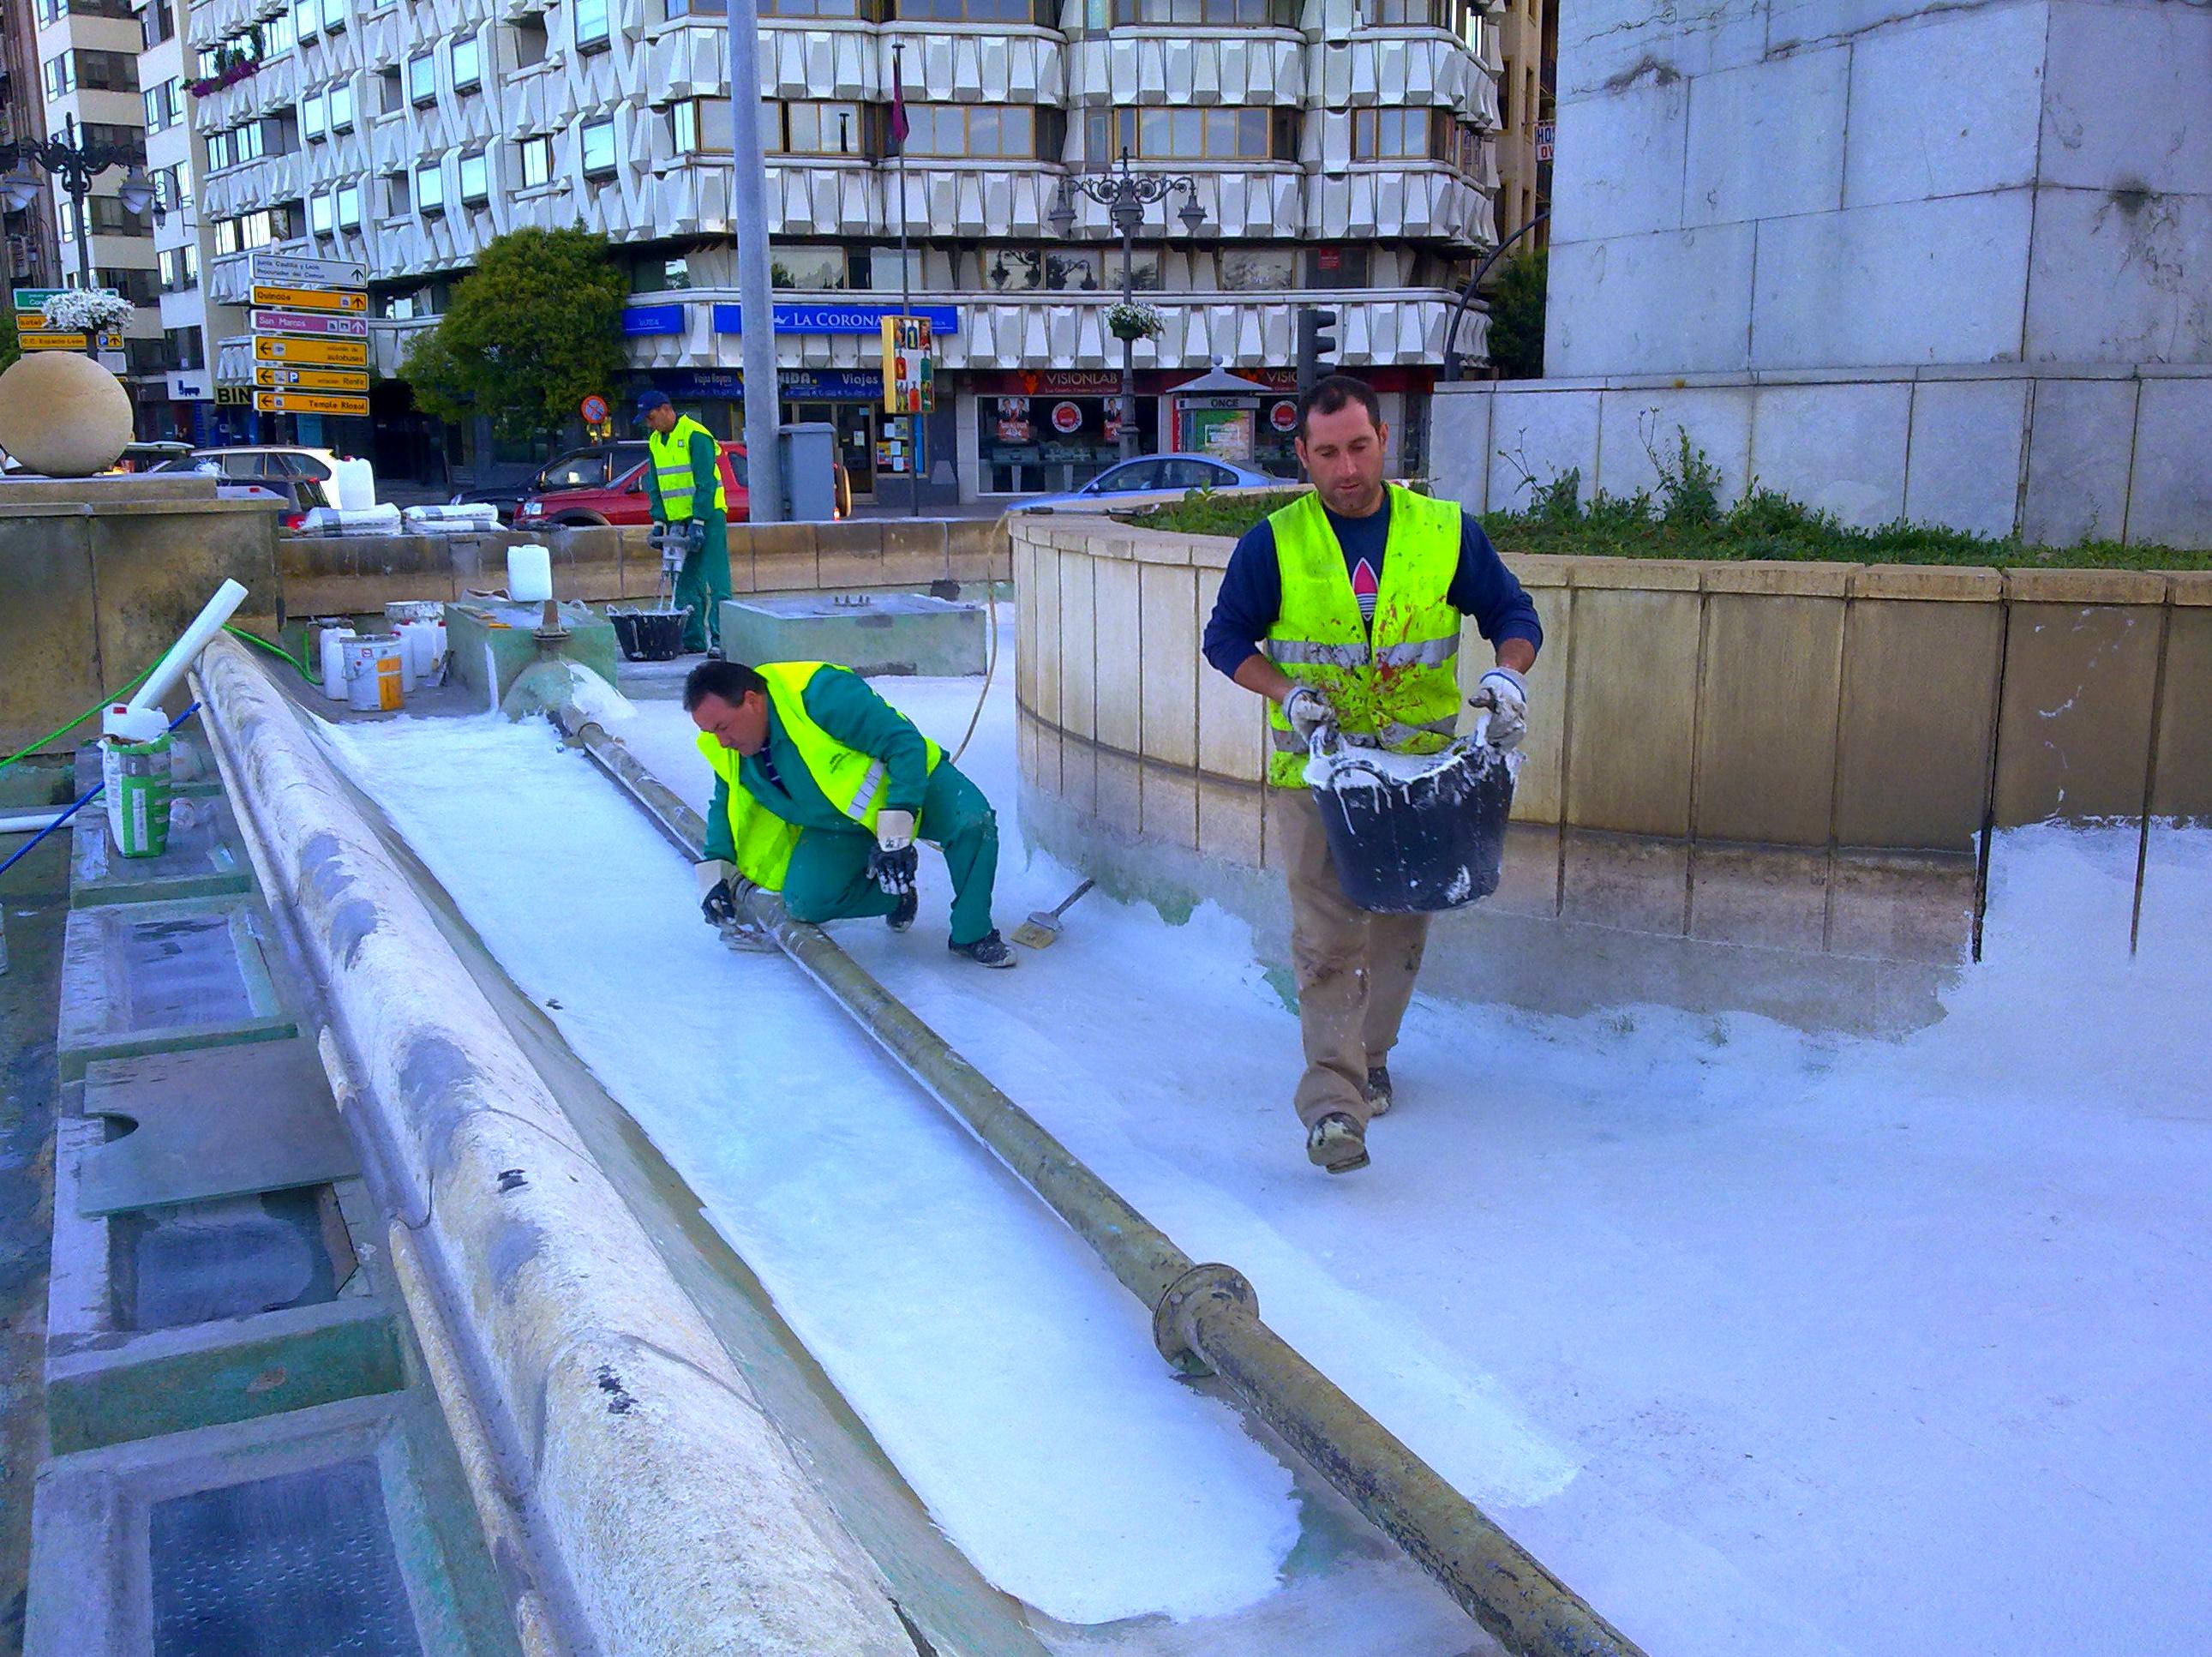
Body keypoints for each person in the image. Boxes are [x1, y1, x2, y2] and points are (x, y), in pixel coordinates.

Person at [1202, 375, 1542, 1174]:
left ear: (1384, 441)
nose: (1346, 467)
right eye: (1327, 452)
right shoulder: (1274, 543)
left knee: (1397, 937)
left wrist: (1508, 676)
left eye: (1358, 446)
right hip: (1317, 777)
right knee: (1325, 943)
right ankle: (1332, 1107)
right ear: (1303, 456)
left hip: (1419, 781)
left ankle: (1372, 1053)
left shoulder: (1443, 531)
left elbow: (1512, 614)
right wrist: (1288, 695)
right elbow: (1226, 640)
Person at [685, 658, 1017, 968]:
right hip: (838, 822)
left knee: (973, 823)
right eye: (710, 732)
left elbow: (904, 744)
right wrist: (716, 876)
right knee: (805, 902)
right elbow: (724, 808)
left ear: (752, 700)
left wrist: (896, 832)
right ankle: (895, 897)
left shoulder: (819, 694)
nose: (721, 741)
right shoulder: (731, 746)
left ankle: (972, 933)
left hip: (909, 786)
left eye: (723, 727)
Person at [638, 390, 732, 655]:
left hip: (709, 515)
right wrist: (658, 521)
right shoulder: (656, 441)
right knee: (686, 581)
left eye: (652, 417)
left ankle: (721, 639)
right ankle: (692, 640)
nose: (650, 424)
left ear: (667, 410)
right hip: (679, 520)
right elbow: (655, 484)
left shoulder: (696, 435)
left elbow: (706, 482)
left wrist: (700, 520)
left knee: (717, 580)